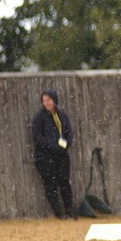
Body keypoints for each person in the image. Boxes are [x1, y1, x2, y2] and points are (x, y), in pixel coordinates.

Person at [31, 89, 76, 219]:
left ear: (54, 101)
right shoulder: (39, 118)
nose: (46, 103)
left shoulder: (62, 115)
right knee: (51, 183)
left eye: (49, 100)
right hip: (45, 155)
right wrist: (52, 146)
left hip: (61, 154)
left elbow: (68, 133)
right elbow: (38, 137)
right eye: (44, 100)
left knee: (64, 182)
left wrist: (66, 144)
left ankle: (69, 209)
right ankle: (58, 212)